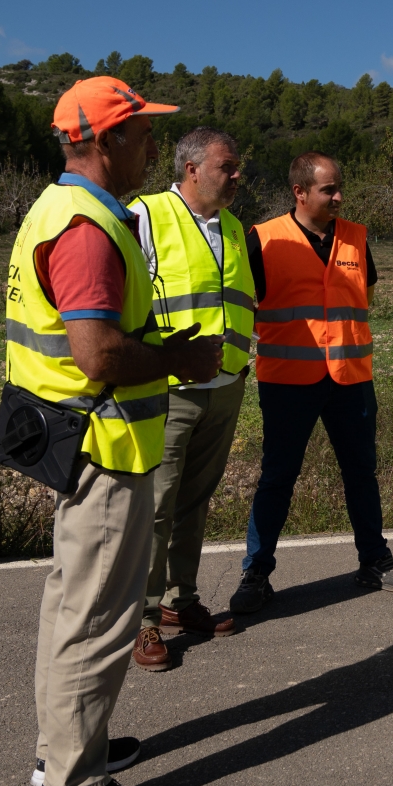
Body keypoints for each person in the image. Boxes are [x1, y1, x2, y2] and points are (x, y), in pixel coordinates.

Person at [15, 77, 221, 786]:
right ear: (104, 143)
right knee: (98, 618)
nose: (152, 149)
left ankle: (64, 747)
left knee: (72, 605)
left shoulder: (58, 208)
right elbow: (97, 352)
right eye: (140, 135)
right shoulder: (89, 229)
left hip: (80, 441)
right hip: (107, 446)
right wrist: (181, 363)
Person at [230, 151, 393, 613]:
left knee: (362, 473)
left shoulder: (356, 238)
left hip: (351, 379)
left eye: (339, 187)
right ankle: (256, 573)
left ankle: (374, 560)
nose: (339, 197)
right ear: (300, 192)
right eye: (328, 189)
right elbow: (242, 306)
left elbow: (363, 299)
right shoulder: (263, 238)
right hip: (288, 381)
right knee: (277, 477)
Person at [126, 127, 254, 670]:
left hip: (225, 387)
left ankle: (183, 600)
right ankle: (144, 620)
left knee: (193, 504)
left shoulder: (232, 226)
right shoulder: (145, 216)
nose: (236, 176)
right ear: (192, 168)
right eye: (228, 166)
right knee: (154, 509)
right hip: (169, 390)